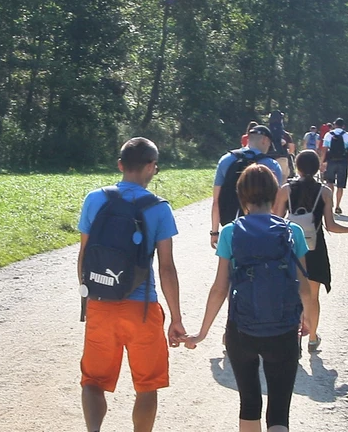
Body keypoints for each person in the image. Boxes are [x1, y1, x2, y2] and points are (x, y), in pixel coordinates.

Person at [186, 164, 308, 432]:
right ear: (276, 194)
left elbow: (220, 287)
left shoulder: (230, 232)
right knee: (279, 409)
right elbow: (304, 286)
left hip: (241, 330)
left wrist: (202, 332)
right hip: (284, 329)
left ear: (241, 196)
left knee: (250, 402)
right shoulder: (292, 232)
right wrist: (306, 318)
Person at [78, 137, 186, 432]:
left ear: (120, 165)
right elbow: (166, 267)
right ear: (151, 167)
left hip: (100, 303)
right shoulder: (159, 208)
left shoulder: (94, 199)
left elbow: (84, 257)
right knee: (146, 386)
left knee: (93, 381)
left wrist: (89, 297)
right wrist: (175, 318)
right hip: (142, 308)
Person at [273, 150, 348, 352]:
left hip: (291, 247)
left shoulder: (285, 189)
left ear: (297, 167)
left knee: (292, 294)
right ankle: (312, 337)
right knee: (312, 296)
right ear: (318, 168)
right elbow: (330, 226)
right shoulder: (325, 192)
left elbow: (277, 221)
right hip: (315, 248)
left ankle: (292, 336)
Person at [212, 125, 284, 248]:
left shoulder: (225, 160)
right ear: (265, 140)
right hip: (262, 230)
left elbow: (216, 200)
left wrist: (214, 232)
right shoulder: (272, 165)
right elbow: (276, 203)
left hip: (232, 228)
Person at [320, 118, 348, 215]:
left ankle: (330, 203)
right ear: (343, 126)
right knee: (340, 185)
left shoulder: (328, 135)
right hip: (343, 162)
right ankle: (338, 205)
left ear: (334, 125)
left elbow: (324, 150)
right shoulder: (347, 135)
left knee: (330, 183)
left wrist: (321, 162)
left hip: (331, 161)